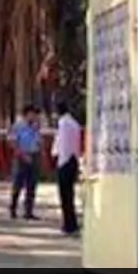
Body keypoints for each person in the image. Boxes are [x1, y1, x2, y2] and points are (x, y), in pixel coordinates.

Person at [52, 101, 82, 236]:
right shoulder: (74, 123)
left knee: (64, 195)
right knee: (70, 194)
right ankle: (72, 223)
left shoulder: (63, 123)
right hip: (73, 160)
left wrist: (60, 161)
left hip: (65, 161)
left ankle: (68, 224)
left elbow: (62, 144)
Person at [8, 104, 42, 220]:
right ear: (27, 114)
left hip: (34, 156)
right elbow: (12, 142)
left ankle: (29, 211)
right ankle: (13, 208)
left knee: (31, 185)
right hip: (21, 157)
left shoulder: (36, 127)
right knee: (18, 184)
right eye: (32, 114)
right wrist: (23, 155)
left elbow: (38, 141)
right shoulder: (18, 126)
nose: (34, 116)